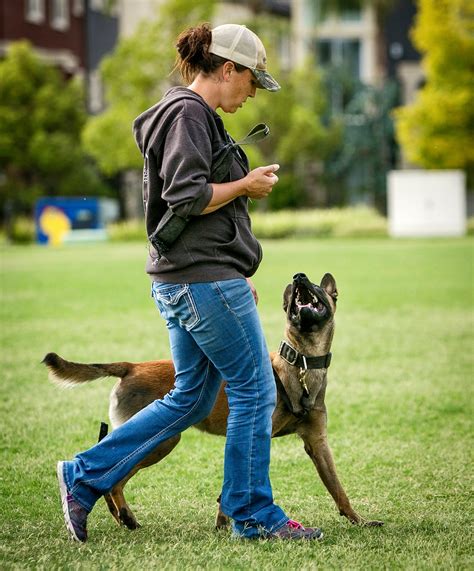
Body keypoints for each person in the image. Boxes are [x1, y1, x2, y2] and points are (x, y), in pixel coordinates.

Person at [57, 23, 323, 542]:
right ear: (228, 69)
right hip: (202, 281)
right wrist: (245, 186)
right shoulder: (188, 114)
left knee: (193, 398)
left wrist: (231, 266)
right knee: (255, 389)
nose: (251, 93)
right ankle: (252, 514)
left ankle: (82, 476)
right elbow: (187, 196)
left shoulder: (181, 112)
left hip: (192, 278)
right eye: (251, 81)